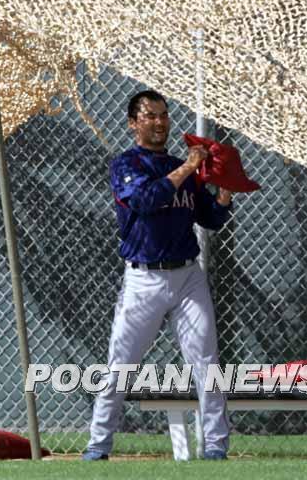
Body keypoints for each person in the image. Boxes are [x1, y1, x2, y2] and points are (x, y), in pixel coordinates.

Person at [83, 90, 233, 461]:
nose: (159, 122)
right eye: (150, 115)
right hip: (144, 278)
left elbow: (210, 219)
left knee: (207, 362)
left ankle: (216, 446)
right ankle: (98, 446)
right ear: (133, 123)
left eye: (163, 114)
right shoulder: (126, 164)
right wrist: (189, 167)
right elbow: (146, 200)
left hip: (187, 276)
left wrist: (225, 189)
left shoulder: (183, 167)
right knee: (120, 365)